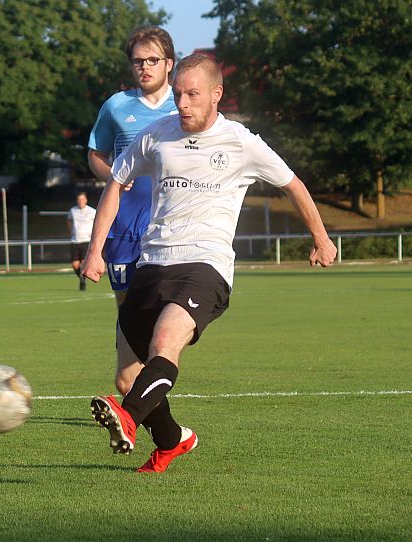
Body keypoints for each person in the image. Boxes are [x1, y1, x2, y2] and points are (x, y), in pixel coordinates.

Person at [81, 55, 337, 474]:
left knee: (165, 344)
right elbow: (115, 183)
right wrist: (95, 249)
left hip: (205, 265)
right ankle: (172, 440)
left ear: (217, 94)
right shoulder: (156, 136)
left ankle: (126, 417)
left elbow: (293, 184)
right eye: (179, 93)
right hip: (153, 264)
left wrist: (321, 237)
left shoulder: (241, 141)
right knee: (128, 378)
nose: (182, 103)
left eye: (192, 94)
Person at [87, 26, 178, 303]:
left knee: (168, 311)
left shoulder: (185, 103)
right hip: (123, 224)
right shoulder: (116, 106)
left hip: (171, 227)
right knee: (127, 313)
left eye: (153, 60)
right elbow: (95, 155)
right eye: (138, 61)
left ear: (169, 63)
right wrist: (113, 175)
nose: (144, 67)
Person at [67, 192, 96, 291]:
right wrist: (71, 232)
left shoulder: (92, 211)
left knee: (84, 263)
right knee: (75, 264)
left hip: (86, 241)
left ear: (86, 200)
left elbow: (98, 222)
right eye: (79, 200)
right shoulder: (73, 211)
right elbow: (69, 220)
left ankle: (83, 281)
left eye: (82, 199)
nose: (80, 201)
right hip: (75, 241)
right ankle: (82, 278)